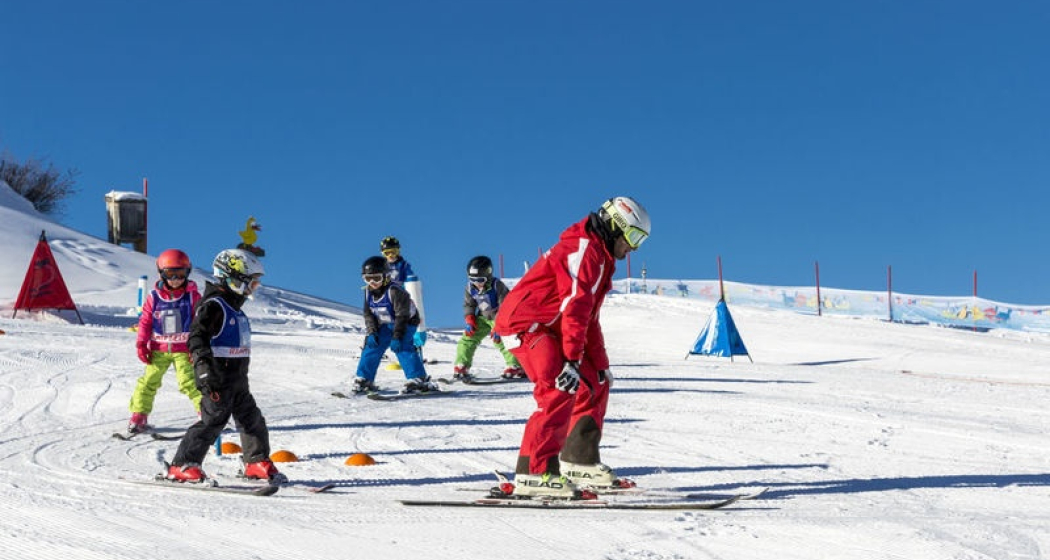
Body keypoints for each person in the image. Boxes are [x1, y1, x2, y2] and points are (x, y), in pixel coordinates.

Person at [493, 196, 651, 498]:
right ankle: (534, 472)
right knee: (559, 384)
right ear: (615, 226)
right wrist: (571, 360)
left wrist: (599, 364)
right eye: (633, 237)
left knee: (594, 383)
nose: (633, 247)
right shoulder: (584, 250)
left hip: (551, 325)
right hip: (525, 323)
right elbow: (575, 308)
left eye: (640, 241)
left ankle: (578, 459)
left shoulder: (602, 257)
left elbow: (589, 318)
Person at [166, 249, 283, 483]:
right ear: (233, 278)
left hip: (237, 379)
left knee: (252, 419)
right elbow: (196, 338)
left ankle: (255, 461)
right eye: (252, 282)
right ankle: (181, 464)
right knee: (213, 421)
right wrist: (204, 370)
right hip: (216, 378)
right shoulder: (214, 305)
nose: (255, 287)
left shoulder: (234, 307)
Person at [127, 249, 203, 434]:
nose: (176, 279)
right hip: (158, 348)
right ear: (162, 273)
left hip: (183, 350)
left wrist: (199, 348)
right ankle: (139, 416)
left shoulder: (192, 297)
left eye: (180, 274)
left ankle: (206, 414)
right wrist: (141, 344)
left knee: (189, 382)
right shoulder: (154, 297)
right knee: (148, 382)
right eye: (170, 274)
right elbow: (145, 322)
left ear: (187, 273)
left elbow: (202, 323)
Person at [350, 256, 437, 395]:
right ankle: (364, 379)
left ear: (386, 276)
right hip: (385, 323)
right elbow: (368, 315)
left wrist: (397, 336)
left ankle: (419, 379)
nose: (372, 282)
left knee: (402, 346)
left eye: (376, 278)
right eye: (368, 279)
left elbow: (401, 316)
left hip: (406, 322)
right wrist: (372, 332)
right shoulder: (367, 292)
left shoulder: (395, 291)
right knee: (372, 345)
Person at [452, 255, 525, 381]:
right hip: (482, 318)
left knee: (503, 341)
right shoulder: (470, 288)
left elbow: (505, 307)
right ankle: (461, 365)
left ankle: (515, 366)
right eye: (472, 279)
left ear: (488, 275)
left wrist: (499, 326)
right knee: (468, 338)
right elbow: (469, 304)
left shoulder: (497, 286)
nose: (476, 283)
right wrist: (470, 318)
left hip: (500, 318)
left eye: (480, 280)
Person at [380, 236, 428, 352]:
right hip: (386, 299)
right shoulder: (381, 266)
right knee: (381, 322)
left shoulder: (403, 265)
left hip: (401, 298)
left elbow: (410, 279)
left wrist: (410, 284)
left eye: (394, 252)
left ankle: (413, 347)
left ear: (398, 251)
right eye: (387, 253)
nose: (391, 256)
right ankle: (376, 347)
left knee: (405, 321)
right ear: (383, 254)